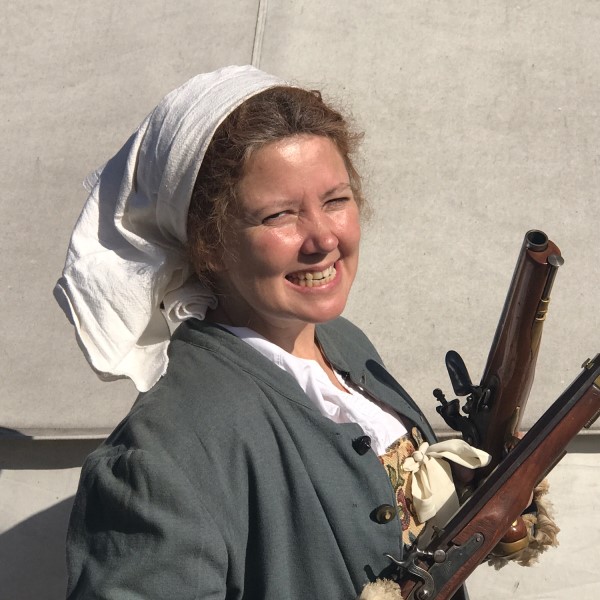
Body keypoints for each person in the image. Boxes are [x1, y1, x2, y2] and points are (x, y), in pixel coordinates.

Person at [55, 66, 544, 600]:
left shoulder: (346, 344)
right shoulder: (162, 454)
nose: (323, 239)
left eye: (335, 200)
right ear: (208, 243)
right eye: (279, 215)